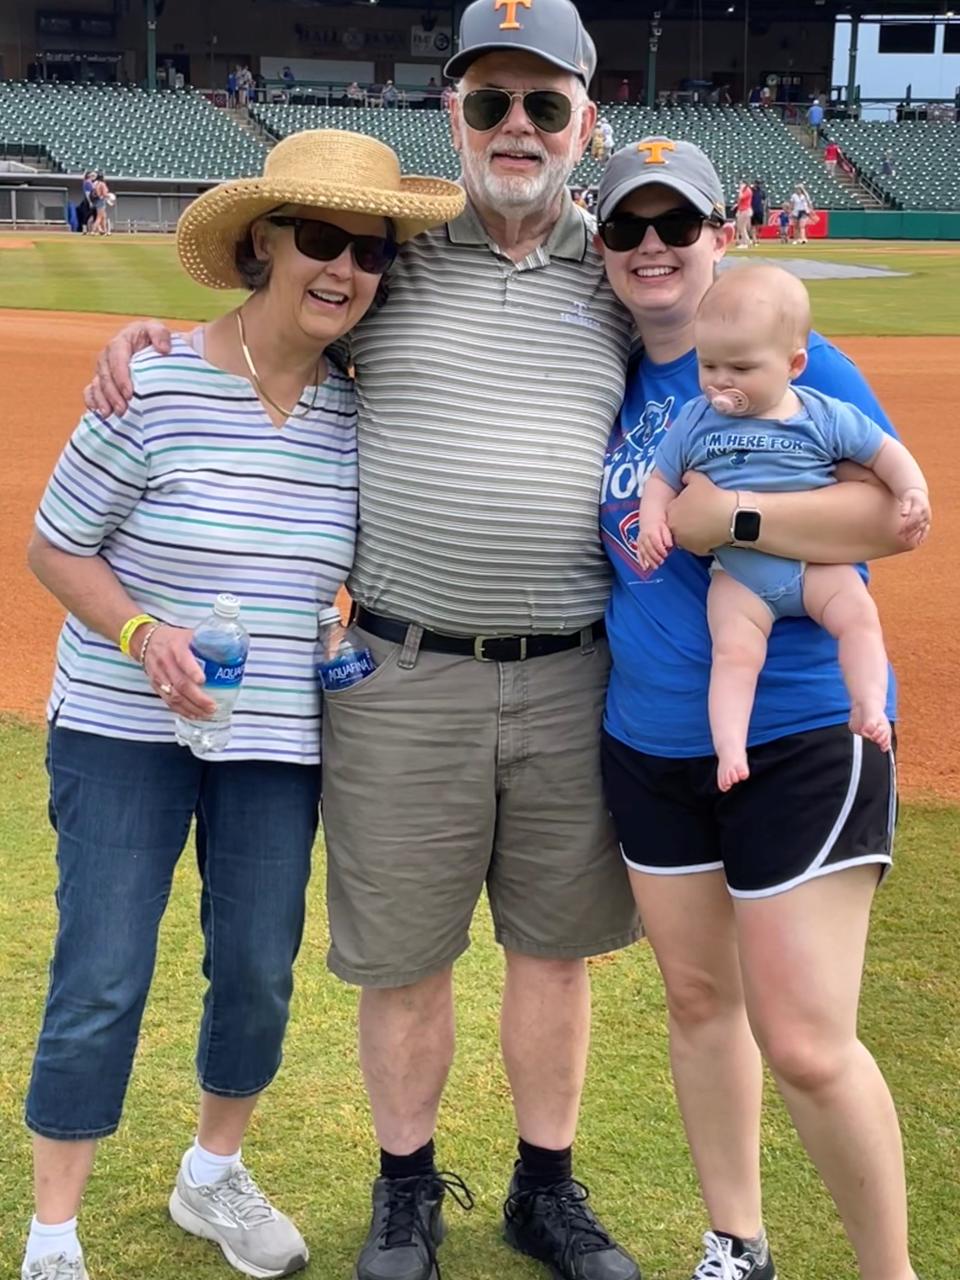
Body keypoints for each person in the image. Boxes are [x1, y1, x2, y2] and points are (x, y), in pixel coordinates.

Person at [82, 3, 643, 1280]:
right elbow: (273, 327)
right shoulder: (395, 256)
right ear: (452, 115)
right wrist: (157, 346)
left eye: (543, 105)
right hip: (400, 673)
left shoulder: (618, 266)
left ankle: (543, 1190)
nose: (516, 127)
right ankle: (405, 1194)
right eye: (490, 101)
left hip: (570, 669)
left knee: (554, 952)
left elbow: (748, 357)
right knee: (406, 956)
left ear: (582, 125)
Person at [20, 129, 462, 1280]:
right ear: (265, 243)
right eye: (319, 238)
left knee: (258, 968)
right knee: (103, 967)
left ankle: (211, 1172)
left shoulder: (363, 413)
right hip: (122, 727)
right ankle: (53, 1232)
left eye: (368, 250)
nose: (344, 267)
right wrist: (141, 631)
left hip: (274, 740)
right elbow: (56, 546)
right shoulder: (152, 377)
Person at [595, 136, 920, 1280]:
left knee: (807, 1041)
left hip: (796, 730)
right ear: (603, 249)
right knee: (697, 997)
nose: (651, 247)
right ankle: (737, 1239)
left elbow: (887, 517)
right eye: (627, 228)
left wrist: (727, 520)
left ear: (715, 237)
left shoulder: (790, 355)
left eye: (674, 226)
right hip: (649, 741)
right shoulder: (620, 374)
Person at [635, 264, 930, 790]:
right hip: (739, 578)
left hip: (817, 566)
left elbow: (886, 454)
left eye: (742, 368)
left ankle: (866, 705)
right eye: (709, 365)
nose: (721, 382)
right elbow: (660, 476)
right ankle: (730, 748)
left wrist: (913, 490)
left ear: (794, 364)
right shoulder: (697, 419)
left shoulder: (822, 414)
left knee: (858, 617)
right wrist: (652, 521)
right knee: (732, 653)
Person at [734, 177, 753, 248]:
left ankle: (746, 242)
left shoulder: (747, 191)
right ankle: (745, 241)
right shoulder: (745, 191)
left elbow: (741, 197)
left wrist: (741, 189)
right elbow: (740, 200)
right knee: (740, 227)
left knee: (742, 227)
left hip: (745, 210)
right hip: (742, 209)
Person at [748, 177, 765, 244]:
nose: (758, 185)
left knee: (759, 225)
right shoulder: (751, 191)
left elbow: (763, 201)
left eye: (759, 183)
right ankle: (754, 238)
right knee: (753, 225)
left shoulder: (762, 192)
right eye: (757, 183)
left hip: (759, 210)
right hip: (753, 209)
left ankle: (757, 237)